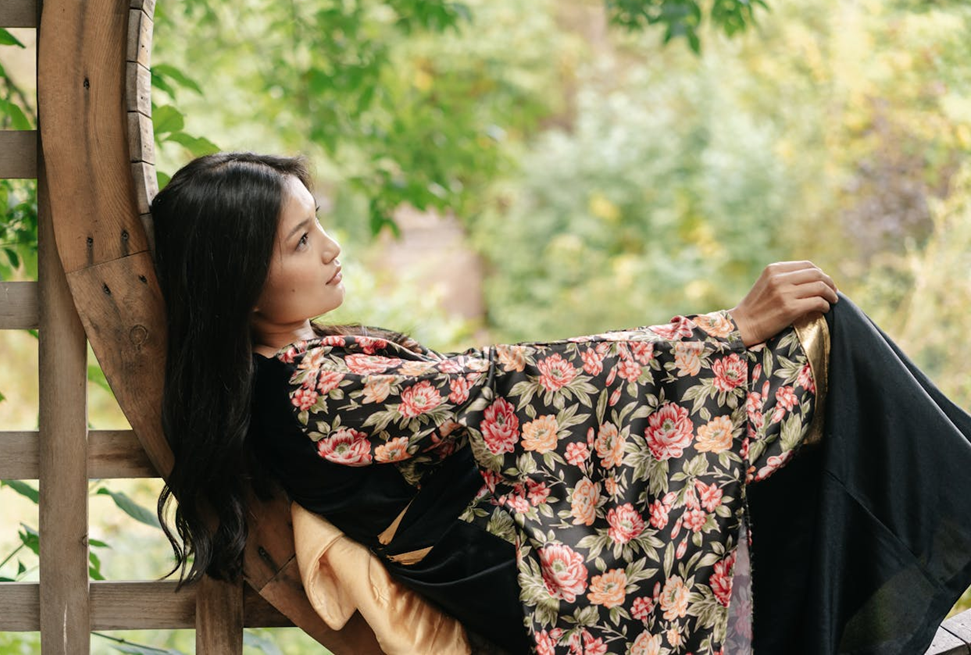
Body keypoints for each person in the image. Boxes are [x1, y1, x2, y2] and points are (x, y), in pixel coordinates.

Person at [149, 152, 968, 654]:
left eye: (318, 222)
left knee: (799, 358)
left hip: (548, 531)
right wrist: (726, 329)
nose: (332, 248)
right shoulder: (313, 391)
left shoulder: (305, 359)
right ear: (238, 281)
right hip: (554, 583)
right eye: (300, 241)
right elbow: (510, 384)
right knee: (799, 346)